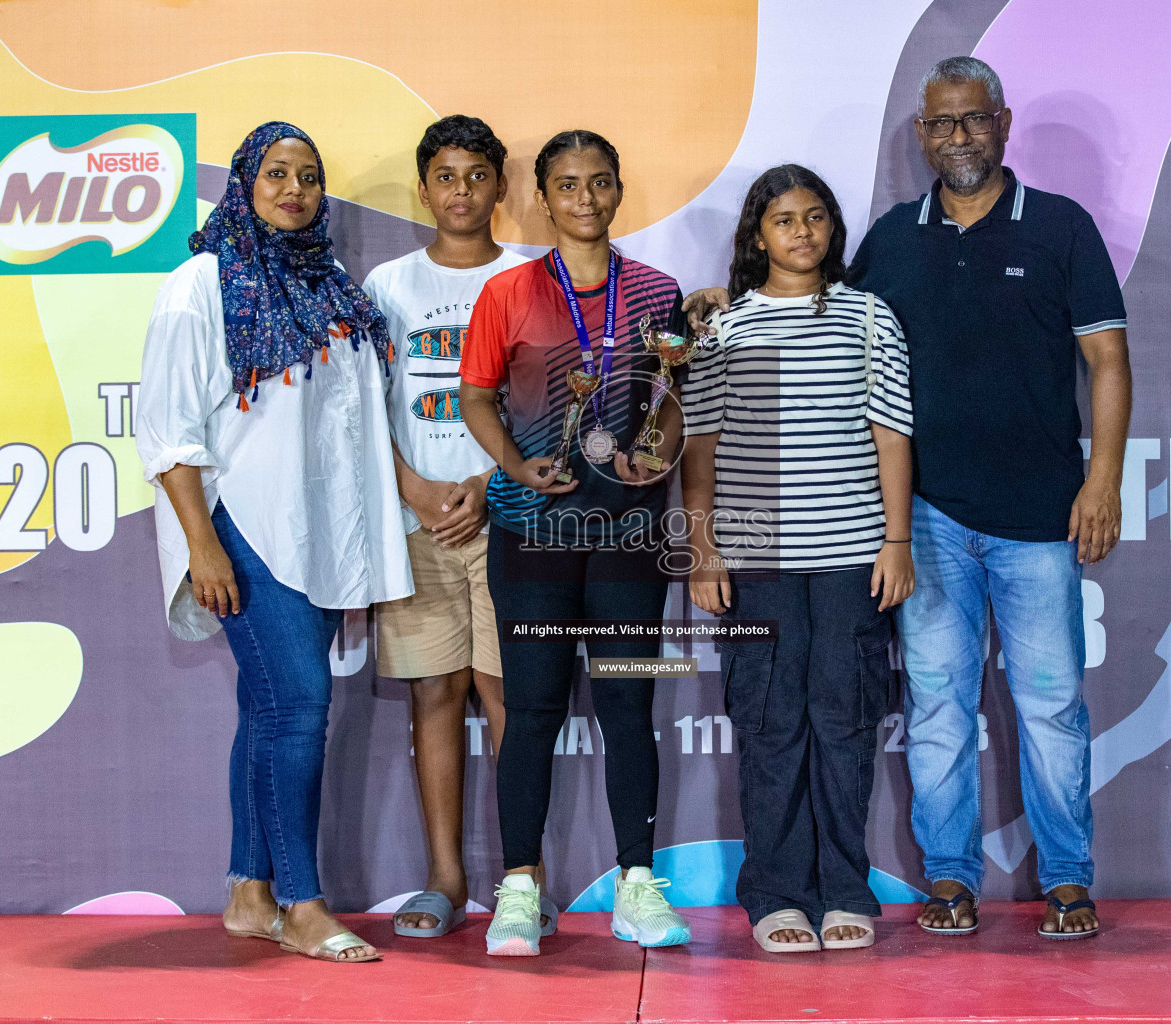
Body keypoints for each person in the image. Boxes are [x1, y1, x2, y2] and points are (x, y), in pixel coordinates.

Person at [685, 56, 1133, 940]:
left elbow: (1107, 361)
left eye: (972, 120)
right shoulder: (893, 238)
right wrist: (720, 303)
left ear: (1002, 123)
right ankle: (950, 881)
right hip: (922, 521)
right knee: (935, 708)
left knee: (1050, 705)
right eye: (940, 124)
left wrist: (1103, 480)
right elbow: (813, 305)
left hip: (1042, 516)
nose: (957, 137)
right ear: (921, 134)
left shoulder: (1060, 227)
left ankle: (1069, 881)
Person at [135, 121, 412, 963]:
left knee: (267, 709)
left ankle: (248, 892)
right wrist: (201, 548)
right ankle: (301, 903)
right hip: (243, 528)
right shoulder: (202, 282)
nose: (294, 189)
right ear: (245, 184)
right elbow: (168, 433)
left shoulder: (334, 284)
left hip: (320, 534)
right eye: (276, 173)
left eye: (310, 175)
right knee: (298, 707)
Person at [458, 129, 692, 956]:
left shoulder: (659, 292)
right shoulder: (509, 294)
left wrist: (657, 449)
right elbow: (477, 397)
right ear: (544, 199)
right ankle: (520, 888)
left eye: (599, 183)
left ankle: (637, 884)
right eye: (567, 185)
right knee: (531, 714)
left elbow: (672, 395)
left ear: (619, 191)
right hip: (533, 535)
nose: (584, 199)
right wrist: (518, 463)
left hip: (628, 536)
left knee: (629, 708)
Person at [680, 165, 915, 953]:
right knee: (770, 722)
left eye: (816, 218)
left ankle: (846, 889)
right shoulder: (726, 329)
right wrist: (706, 553)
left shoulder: (869, 318)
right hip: (758, 564)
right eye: (785, 220)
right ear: (758, 235)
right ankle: (777, 894)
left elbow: (890, 433)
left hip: (852, 558)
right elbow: (701, 451)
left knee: (845, 722)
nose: (803, 232)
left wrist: (896, 540)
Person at [361, 115, 524, 939]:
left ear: (502, 185)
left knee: (506, 694)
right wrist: (417, 490)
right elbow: (359, 409)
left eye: (477, 175)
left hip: (510, 520)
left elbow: (550, 402)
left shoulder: (534, 276)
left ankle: (521, 883)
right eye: (446, 176)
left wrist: (492, 483)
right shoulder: (387, 286)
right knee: (434, 693)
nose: (462, 192)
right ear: (424, 188)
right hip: (416, 520)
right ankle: (445, 880)